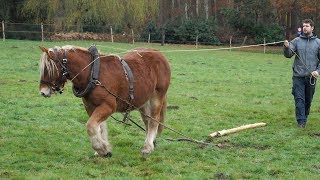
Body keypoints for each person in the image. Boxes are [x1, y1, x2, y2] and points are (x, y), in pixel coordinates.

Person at [284, 19, 320, 128]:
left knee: (308, 100)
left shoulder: (318, 43)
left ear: (312, 28)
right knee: (299, 99)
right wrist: (286, 47)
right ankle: (301, 122)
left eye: (307, 26)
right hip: (298, 76)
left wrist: (317, 71)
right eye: (303, 26)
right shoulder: (296, 41)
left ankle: (305, 117)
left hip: (311, 77)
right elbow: (288, 54)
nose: (305, 28)